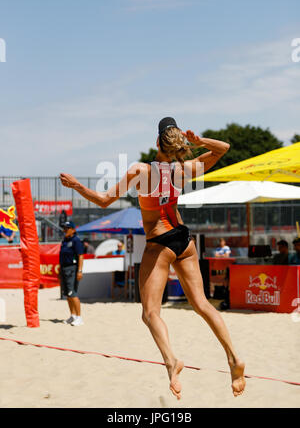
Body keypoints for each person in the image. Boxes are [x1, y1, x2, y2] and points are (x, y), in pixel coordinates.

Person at [60, 117, 246, 399]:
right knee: (203, 305)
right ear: (175, 144)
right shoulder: (183, 170)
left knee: (150, 313)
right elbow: (223, 147)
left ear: (157, 142)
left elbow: (103, 200)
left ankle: (172, 362)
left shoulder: (140, 171)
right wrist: (199, 142)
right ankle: (234, 358)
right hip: (184, 240)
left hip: (159, 243)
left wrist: (76, 185)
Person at [59, 221, 84, 326]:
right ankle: (72, 316)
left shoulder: (76, 240)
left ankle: (79, 317)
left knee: (72, 293)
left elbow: (81, 256)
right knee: (67, 295)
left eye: (67, 228)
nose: (65, 230)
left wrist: (80, 271)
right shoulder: (65, 240)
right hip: (64, 268)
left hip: (72, 269)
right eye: (64, 228)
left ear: (73, 230)